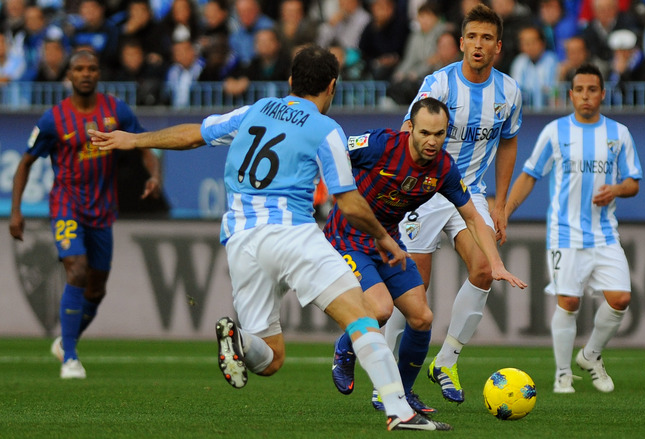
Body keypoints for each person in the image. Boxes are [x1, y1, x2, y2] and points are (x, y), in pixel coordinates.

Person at [88, 45, 452, 432]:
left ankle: (240, 341)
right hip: (292, 232)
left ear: (291, 81)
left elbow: (194, 135)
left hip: (242, 243)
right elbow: (347, 201)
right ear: (332, 86)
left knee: (271, 358)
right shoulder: (326, 130)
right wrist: (382, 236)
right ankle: (399, 409)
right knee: (361, 316)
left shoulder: (255, 111)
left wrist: (134, 140)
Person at [328, 98, 527, 414]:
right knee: (380, 309)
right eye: (424, 133)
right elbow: (334, 150)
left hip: (389, 242)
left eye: (439, 133)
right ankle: (344, 351)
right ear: (410, 129)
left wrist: (495, 263)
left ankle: (402, 395)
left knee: (422, 318)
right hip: (349, 237)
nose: (432, 141)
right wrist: (320, 188)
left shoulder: (444, 169)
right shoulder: (380, 144)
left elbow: (473, 217)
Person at [389, 4, 524, 405]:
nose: (478, 45)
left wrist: (499, 204)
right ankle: (388, 375)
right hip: (425, 192)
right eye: (472, 37)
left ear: (497, 46)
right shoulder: (439, 84)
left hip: (470, 195)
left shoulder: (509, 92)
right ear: (461, 41)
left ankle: (446, 361)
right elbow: (407, 130)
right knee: (416, 287)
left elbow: (510, 141)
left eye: (487, 38)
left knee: (484, 269)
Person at [8, 50, 162, 379]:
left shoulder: (116, 110)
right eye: (79, 68)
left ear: (99, 73)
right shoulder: (53, 118)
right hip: (66, 204)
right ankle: (71, 359)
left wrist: (154, 175)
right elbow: (25, 163)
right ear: (69, 74)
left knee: (96, 289)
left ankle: (66, 341)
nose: (86, 74)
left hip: (103, 209)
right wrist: (16, 211)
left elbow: (144, 144)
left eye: (92, 68)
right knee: (76, 270)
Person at [505, 63, 642, 394]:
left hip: (604, 232)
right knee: (568, 302)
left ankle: (591, 355)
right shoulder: (555, 131)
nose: (585, 96)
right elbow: (530, 174)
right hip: (564, 233)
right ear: (571, 94)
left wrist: (616, 189)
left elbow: (633, 181)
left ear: (602, 94)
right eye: (579, 90)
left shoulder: (618, 133)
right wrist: (505, 210)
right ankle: (563, 373)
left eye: (592, 90)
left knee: (621, 298)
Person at [510, 24, 559, 109]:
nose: (529, 46)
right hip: (525, 113)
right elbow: (515, 92)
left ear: (542, 43)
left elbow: (555, 90)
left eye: (533, 42)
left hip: (549, 111)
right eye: (525, 43)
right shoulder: (519, 62)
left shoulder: (552, 61)